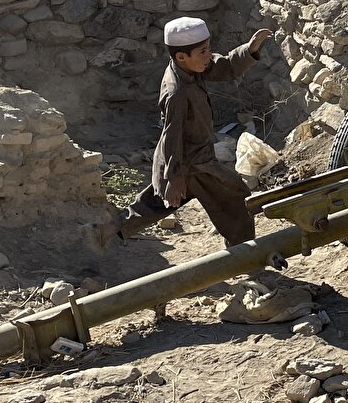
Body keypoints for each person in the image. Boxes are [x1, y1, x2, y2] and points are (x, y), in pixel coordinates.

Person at [96, 17, 274, 251]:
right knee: (234, 198)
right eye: (203, 51)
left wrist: (249, 49)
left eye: (208, 49)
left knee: (158, 204)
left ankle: (110, 230)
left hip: (188, 159)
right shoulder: (177, 92)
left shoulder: (189, 67)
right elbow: (172, 134)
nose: (208, 55)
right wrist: (174, 177)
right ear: (182, 56)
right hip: (192, 163)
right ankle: (244, 255)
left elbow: (225, 66)